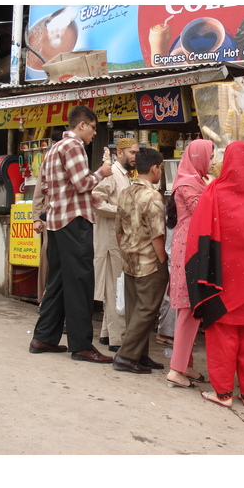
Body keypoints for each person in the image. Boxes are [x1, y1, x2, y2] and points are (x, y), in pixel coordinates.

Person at [185, 141, 244, 407]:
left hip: (222, 281)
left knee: (223, 337)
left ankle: (223, 393)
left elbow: (199, 232)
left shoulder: (215, 190)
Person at [29, 105, 114, 364]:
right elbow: (82, 183)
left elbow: (47, 186)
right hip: (74, 222)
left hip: (56, 222)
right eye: (93, 128)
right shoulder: (73, 146)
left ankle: (43, 337)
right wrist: (102, 172)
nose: (93, 134)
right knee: (80, 283)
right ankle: (81, 346)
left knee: (58, 282)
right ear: (82, 125)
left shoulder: (53, 149)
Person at [113, 148, 169, 374]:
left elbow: (118, 230)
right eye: (161, 168)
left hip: (129, 258)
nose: (160, 172)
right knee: (147, 310)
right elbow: (157, 235)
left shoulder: (126, 192)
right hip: (149, 262)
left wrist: (126, 250)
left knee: (135, 308)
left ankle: (140, 354)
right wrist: (163, 260)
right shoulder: (153, 196)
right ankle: (126, 356)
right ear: (155, 168)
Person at [165, 139, 215, 388]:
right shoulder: (188, 184)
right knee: (188, 309)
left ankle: (186, 365)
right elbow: (202, 209)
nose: (213, 162)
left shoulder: (192, 181)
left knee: (190, 308)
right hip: (189, 249)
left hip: (191, 246)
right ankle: (176, 370)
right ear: (199, 158)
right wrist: (214, 187)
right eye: (211, 156)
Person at [92, 137, 140, 352]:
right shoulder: (112, 174)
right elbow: (95, 200)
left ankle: (106, 333)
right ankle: (117, 339)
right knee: (114, 289)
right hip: (110, 240)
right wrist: (120, 212)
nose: (135, 157)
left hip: (119, 239)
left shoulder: (125, 176)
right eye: (131, 152)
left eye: (136, 152)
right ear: (119, 153)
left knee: (114, 287)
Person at [32, 128, 64, 306]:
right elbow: (39, 190)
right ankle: (44, 300)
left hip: (64, 217)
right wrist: (37, 217)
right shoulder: (50, 159)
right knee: (48, 258)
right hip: (49, 216)